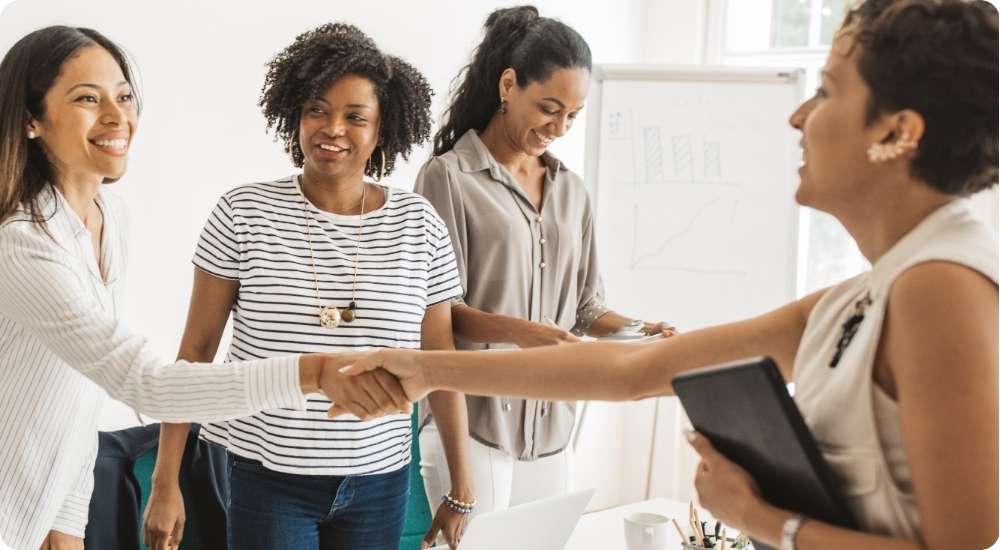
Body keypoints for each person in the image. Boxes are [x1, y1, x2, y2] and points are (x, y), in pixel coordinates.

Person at [341, 0, 1000, 548]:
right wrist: (423, 368)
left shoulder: (941, 285)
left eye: (826, 91)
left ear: (898, 132)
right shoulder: (872, 292)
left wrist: (762, 519)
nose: (798, 115)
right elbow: (628, 373)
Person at [0, 26, 408, 550]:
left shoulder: (108, 217)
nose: (116, 116)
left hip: (45, 510)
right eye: (87, 99)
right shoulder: (22, 245)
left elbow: (79, 396)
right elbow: (141, 380)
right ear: (32, 119)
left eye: (123, 97)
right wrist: (314, 372)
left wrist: (66, 519)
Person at [141, 23, 473, 550]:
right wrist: (165, 482)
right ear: (294, 114)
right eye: (317, 109)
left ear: (382, 129)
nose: (332, 128)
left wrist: (461, 488)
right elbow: (196, 353)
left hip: (380, 479)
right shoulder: (243, 212)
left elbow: (442, 358)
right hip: (265, 476)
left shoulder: (420, 223)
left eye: (354, 116)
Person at [412, 5, 677, 519]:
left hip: (553, 421)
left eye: (573, 116)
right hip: (474, 420)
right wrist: (527, 333)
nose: (559, 127)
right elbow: (438, 314)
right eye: (548, 108)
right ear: (508, 85)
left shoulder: (570, 191)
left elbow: (585, 309)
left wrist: (642, 330)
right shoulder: (447, 178)